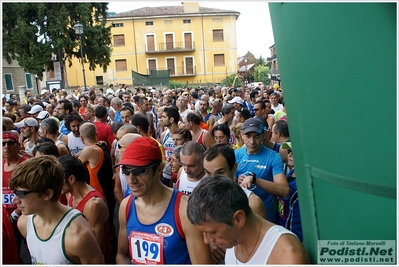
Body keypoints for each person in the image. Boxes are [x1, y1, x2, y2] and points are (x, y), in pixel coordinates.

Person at [115, 137, 213, 264]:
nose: (131, 180)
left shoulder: (184, 209)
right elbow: (122, 255)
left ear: (159, 169)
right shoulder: (126, 206)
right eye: (126, 171)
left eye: (140, 171)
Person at [187, 175, 311, 264]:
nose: (206, 241)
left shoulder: (287, 255)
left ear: (239, 218)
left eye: (212, 232)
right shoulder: (233, 239)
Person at [9, 155, 104, 264]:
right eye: (14, 192)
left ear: (47, 194)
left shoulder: (77, 234)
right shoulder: (24, 223)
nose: (15, 200)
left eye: (21, 193)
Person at [59, 155, 113, 263]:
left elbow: (98, 248)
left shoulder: (93, 204)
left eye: (58, 179)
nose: (55, 183)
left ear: (71, 179)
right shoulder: (69, 194)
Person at [235, 117, 289, 223]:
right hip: (241, 217)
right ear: (241, 134)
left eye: (256, 137)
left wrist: (255, 180)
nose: (252, 141)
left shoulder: (273, 157)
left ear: (263, 135)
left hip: (265, 219)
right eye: (248, 136)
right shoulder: (236, 154)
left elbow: (284, 190)